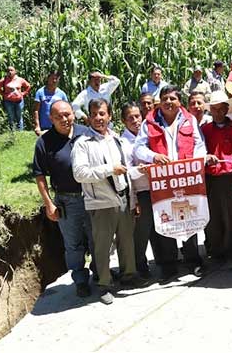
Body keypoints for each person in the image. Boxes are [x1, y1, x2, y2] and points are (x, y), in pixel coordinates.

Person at [71, 99, 143, 304]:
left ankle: (129, 275)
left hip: (123, 197)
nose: (98, 118)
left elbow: (126, 171)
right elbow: (80, 173)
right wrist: (109, 169)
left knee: (126, 240)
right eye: (93, 114)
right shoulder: (83, 143)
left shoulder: (117, 139)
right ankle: (104, 284)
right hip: (101, 202)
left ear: (109, 116)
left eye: (102, 113)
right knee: (102, 246)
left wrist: (134, 197)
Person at [134, 86, 207, 282]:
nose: (168, 102)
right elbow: (138, 148)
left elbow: (199, 145)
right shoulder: (149, 121)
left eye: (172, 98)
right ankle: (169, 264)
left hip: (185, 177)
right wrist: (154, 156)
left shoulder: (189, 119)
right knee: (166, 219)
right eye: (165, 98)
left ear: (179, 101)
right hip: (162, 181)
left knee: (189, 217)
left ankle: (193, 259)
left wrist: (196, 162)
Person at [33, 101, 94, 298]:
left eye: (67, 114)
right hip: (67, 201)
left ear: (73, 115)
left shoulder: (86, 133)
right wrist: (48, 203)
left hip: (93, 196)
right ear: (51, 119)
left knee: (98, 239)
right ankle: (81, 280)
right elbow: (40, 175)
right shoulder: (44, 142)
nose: (64, 119)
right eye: (58, 116)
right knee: (73, 244)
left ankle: (102, 274)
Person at [202, 91, 232, 269]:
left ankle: (231, 251)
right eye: (215, 109)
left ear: (227, 110)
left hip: (229, 178)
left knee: (230, 216)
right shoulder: (205, 130)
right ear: (211, 110)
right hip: (210, 178)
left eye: (221, 109)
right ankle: (215, 251)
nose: (218, 112)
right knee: (213, 216)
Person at [118, 102, 155, 282]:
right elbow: (126, 171)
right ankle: (140, 265)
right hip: (139, 191)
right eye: (130, 118)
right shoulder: (123, 143)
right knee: (141, 233)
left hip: (156, 188)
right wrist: (140, 170)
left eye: (137, 116)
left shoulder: (148, 134)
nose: (135, 121)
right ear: (124, 121)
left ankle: (163, 260)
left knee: (158, 229)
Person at [0, 65, 31, 130]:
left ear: (15, 71)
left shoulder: (20, 79)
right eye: (8, 70)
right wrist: (3, 94)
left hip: (19, 101)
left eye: (11, 70)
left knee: (19, 116)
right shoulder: (4, 80)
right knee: (11, 116)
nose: (10, 72)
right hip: (8, 101)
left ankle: (20, 132)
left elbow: (28, 86)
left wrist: (23, 93)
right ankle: (12, 131)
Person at [33, 71, 68, 136]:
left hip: (58, 126)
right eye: (52, 78)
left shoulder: (62, 94)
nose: (54, 81)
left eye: (56, 79)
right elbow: (36, 110)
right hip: (44, 127)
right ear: (48, 79)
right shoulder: (40, 92)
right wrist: (37, 126)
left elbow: (67, 111)